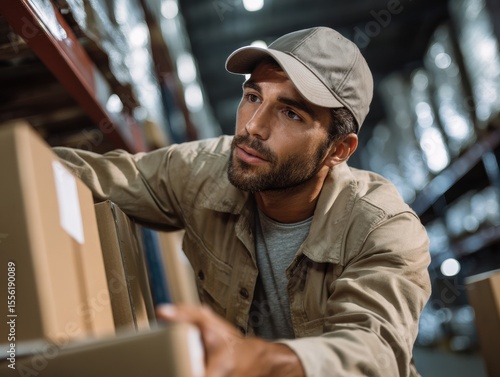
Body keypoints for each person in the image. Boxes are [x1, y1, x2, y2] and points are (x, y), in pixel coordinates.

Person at [54, 27, 431, 376]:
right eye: (253, 97)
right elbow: (85, 176)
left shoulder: (383, 228)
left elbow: (375, 350)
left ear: (338, 150)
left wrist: (262, 359)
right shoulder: (204, 171)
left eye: (290, 113)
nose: (253, 126)